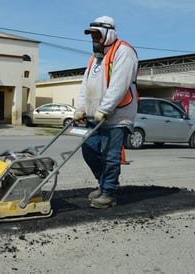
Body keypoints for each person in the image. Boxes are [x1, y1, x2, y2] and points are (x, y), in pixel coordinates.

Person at [74, 16, 138, 208]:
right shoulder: (95, 59)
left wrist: (104, 109)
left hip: (117, 116)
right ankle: (104, 184)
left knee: (111, 156)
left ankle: (109, 193)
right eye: (92, 35)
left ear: (108, 34)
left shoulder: (124, 52)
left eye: (97, 35)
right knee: (89, 149)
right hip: (95, 116)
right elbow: (86, 85)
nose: (94, 39)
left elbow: (119, 84)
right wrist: (80, 108)